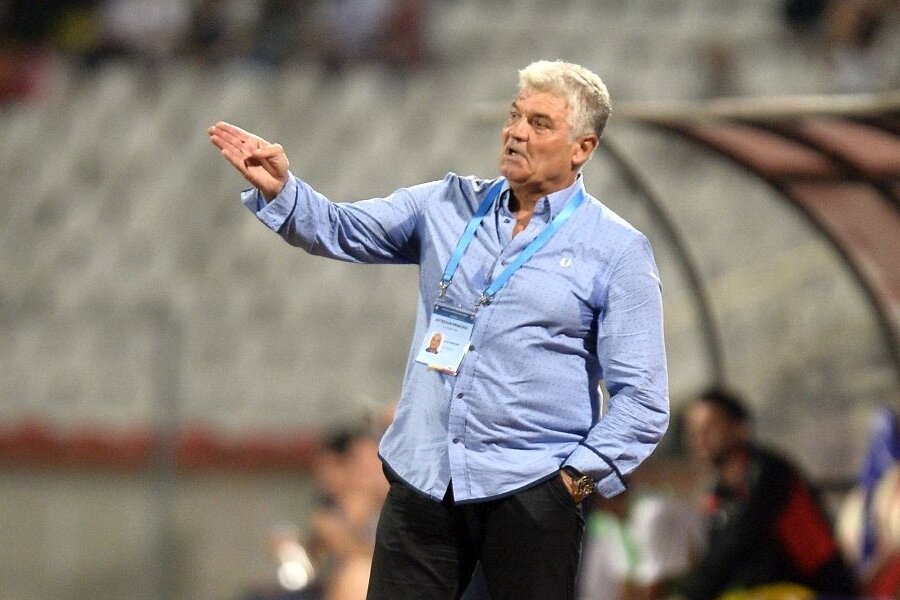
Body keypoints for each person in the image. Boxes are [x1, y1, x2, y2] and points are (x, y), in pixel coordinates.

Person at [208, 59, 669, 600]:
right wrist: (283, 190)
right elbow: (339, 228)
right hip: (425, 478)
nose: (516, 132)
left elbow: (644, 400)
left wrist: (570, 484)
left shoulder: (616, 250)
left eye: (539, 123)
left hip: (530, 491)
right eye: (515, 115)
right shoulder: (446, 205)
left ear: (582, 148)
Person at [678, 387, 858, 600]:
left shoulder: (769, 473)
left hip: (818, 592)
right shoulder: (717, 495)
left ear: (740, 428)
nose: (699, 436)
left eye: (710, 426)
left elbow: (739, 540)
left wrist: (688, 595)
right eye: (693, 428)